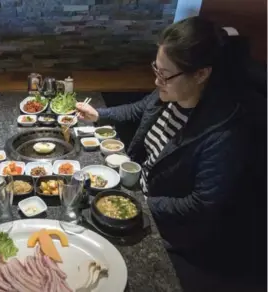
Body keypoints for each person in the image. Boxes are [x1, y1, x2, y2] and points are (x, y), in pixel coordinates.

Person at [76, 16, 262, 291]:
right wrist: (99, 114)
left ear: (201, 74)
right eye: (156, 68)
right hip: (135, 195)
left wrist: (141, 202)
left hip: (170, 230)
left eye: (165, 74)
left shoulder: (223, 133)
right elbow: (138, 109)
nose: (156, 80)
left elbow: (201, 205)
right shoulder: (172, 94)